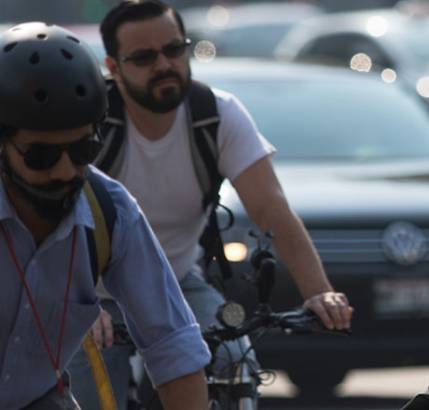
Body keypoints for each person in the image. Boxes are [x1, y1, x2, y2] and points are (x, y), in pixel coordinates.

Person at [66, 1, 353, 408]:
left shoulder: (215, 115)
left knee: (234, 360)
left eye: (174, 49)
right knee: (93, 395)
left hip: (176, 281)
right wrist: (76, 300)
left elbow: (272, 210)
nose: (164, 64)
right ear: (113, 67)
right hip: (88, 289)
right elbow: (55, 219)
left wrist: (320, 293)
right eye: (145, 57)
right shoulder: (91, 122)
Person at [0, 22, 210, 410]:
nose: (65, 172)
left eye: (82, 150)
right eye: (41, 156)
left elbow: (173, 345)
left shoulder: (110, 210)